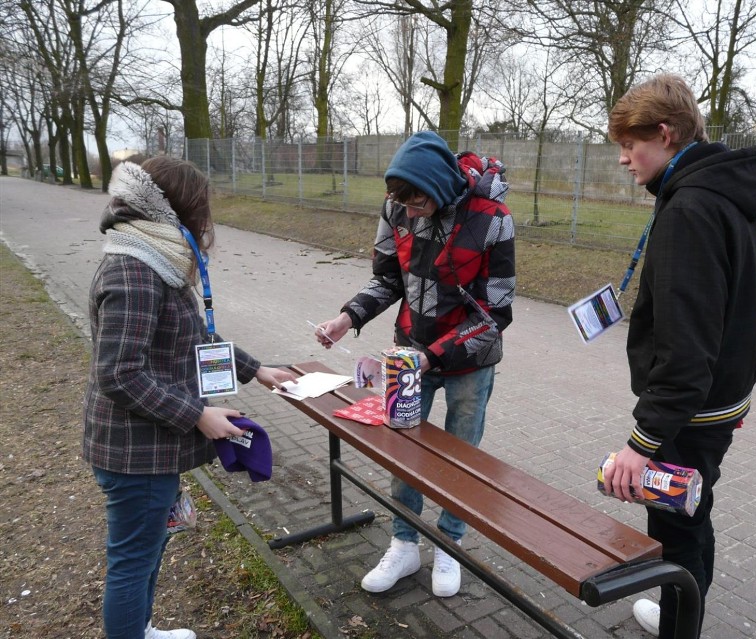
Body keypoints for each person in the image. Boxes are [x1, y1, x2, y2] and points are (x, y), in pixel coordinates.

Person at [83, 156, 297, 639]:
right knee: (133, 561)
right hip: (135, 453)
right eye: (201, 209)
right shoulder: (135, 272)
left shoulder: (154, 260)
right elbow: (118, 374)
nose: (206, 221)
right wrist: (198, 414)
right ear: (174, 209)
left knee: (148, 549)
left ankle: (142, 629)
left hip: (147, 446)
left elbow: (196, 338)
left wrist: (257, 370)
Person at [602, 74, 756, 638]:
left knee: (677, 529)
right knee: (692, 515)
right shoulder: (721, 193)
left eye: (630, 144)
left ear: (665, 133)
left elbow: (686, 345)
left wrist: (640, 444)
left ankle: (681, 620)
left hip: (689, 413)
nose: (624, 159)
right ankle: (683, 609)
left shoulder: (690, 210)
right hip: (717, 400)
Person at [315, 131, 515, 598]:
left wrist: (434, 356)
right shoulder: (397, 207)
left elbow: (497, 312)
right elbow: (387, 279)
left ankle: (450, 543)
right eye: (398, 204)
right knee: (404, 448)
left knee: (460, 456)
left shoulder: (494, 220)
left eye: (416, 204)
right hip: (409, 350)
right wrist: (349, 317)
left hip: (468, 358)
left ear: (440, 188)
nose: (407, 214)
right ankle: (404, 542)